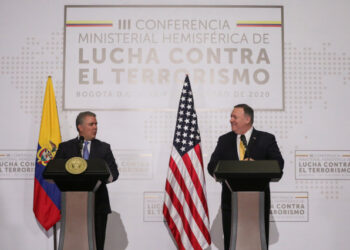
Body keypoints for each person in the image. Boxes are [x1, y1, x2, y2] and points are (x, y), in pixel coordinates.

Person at [207, 104, 284, 250]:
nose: (231, 120)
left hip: (258, 206)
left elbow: (278, 164)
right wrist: (229, 170)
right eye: (231, 116)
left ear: (247, 119)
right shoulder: (224, 140)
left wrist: (257, 166)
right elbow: (212, 166)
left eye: (234, 116)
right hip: (231, 204)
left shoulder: (266, 139)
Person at [55, 111, 119, 250]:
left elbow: (114, 173)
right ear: (80, 127)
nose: (95, 127)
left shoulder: (104, 147)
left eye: (96, 124)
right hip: (72, 205)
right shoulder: (65, 148)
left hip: (98, 205)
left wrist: (98, 178)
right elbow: (55, 171)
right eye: (91, 124)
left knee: (98, 244)